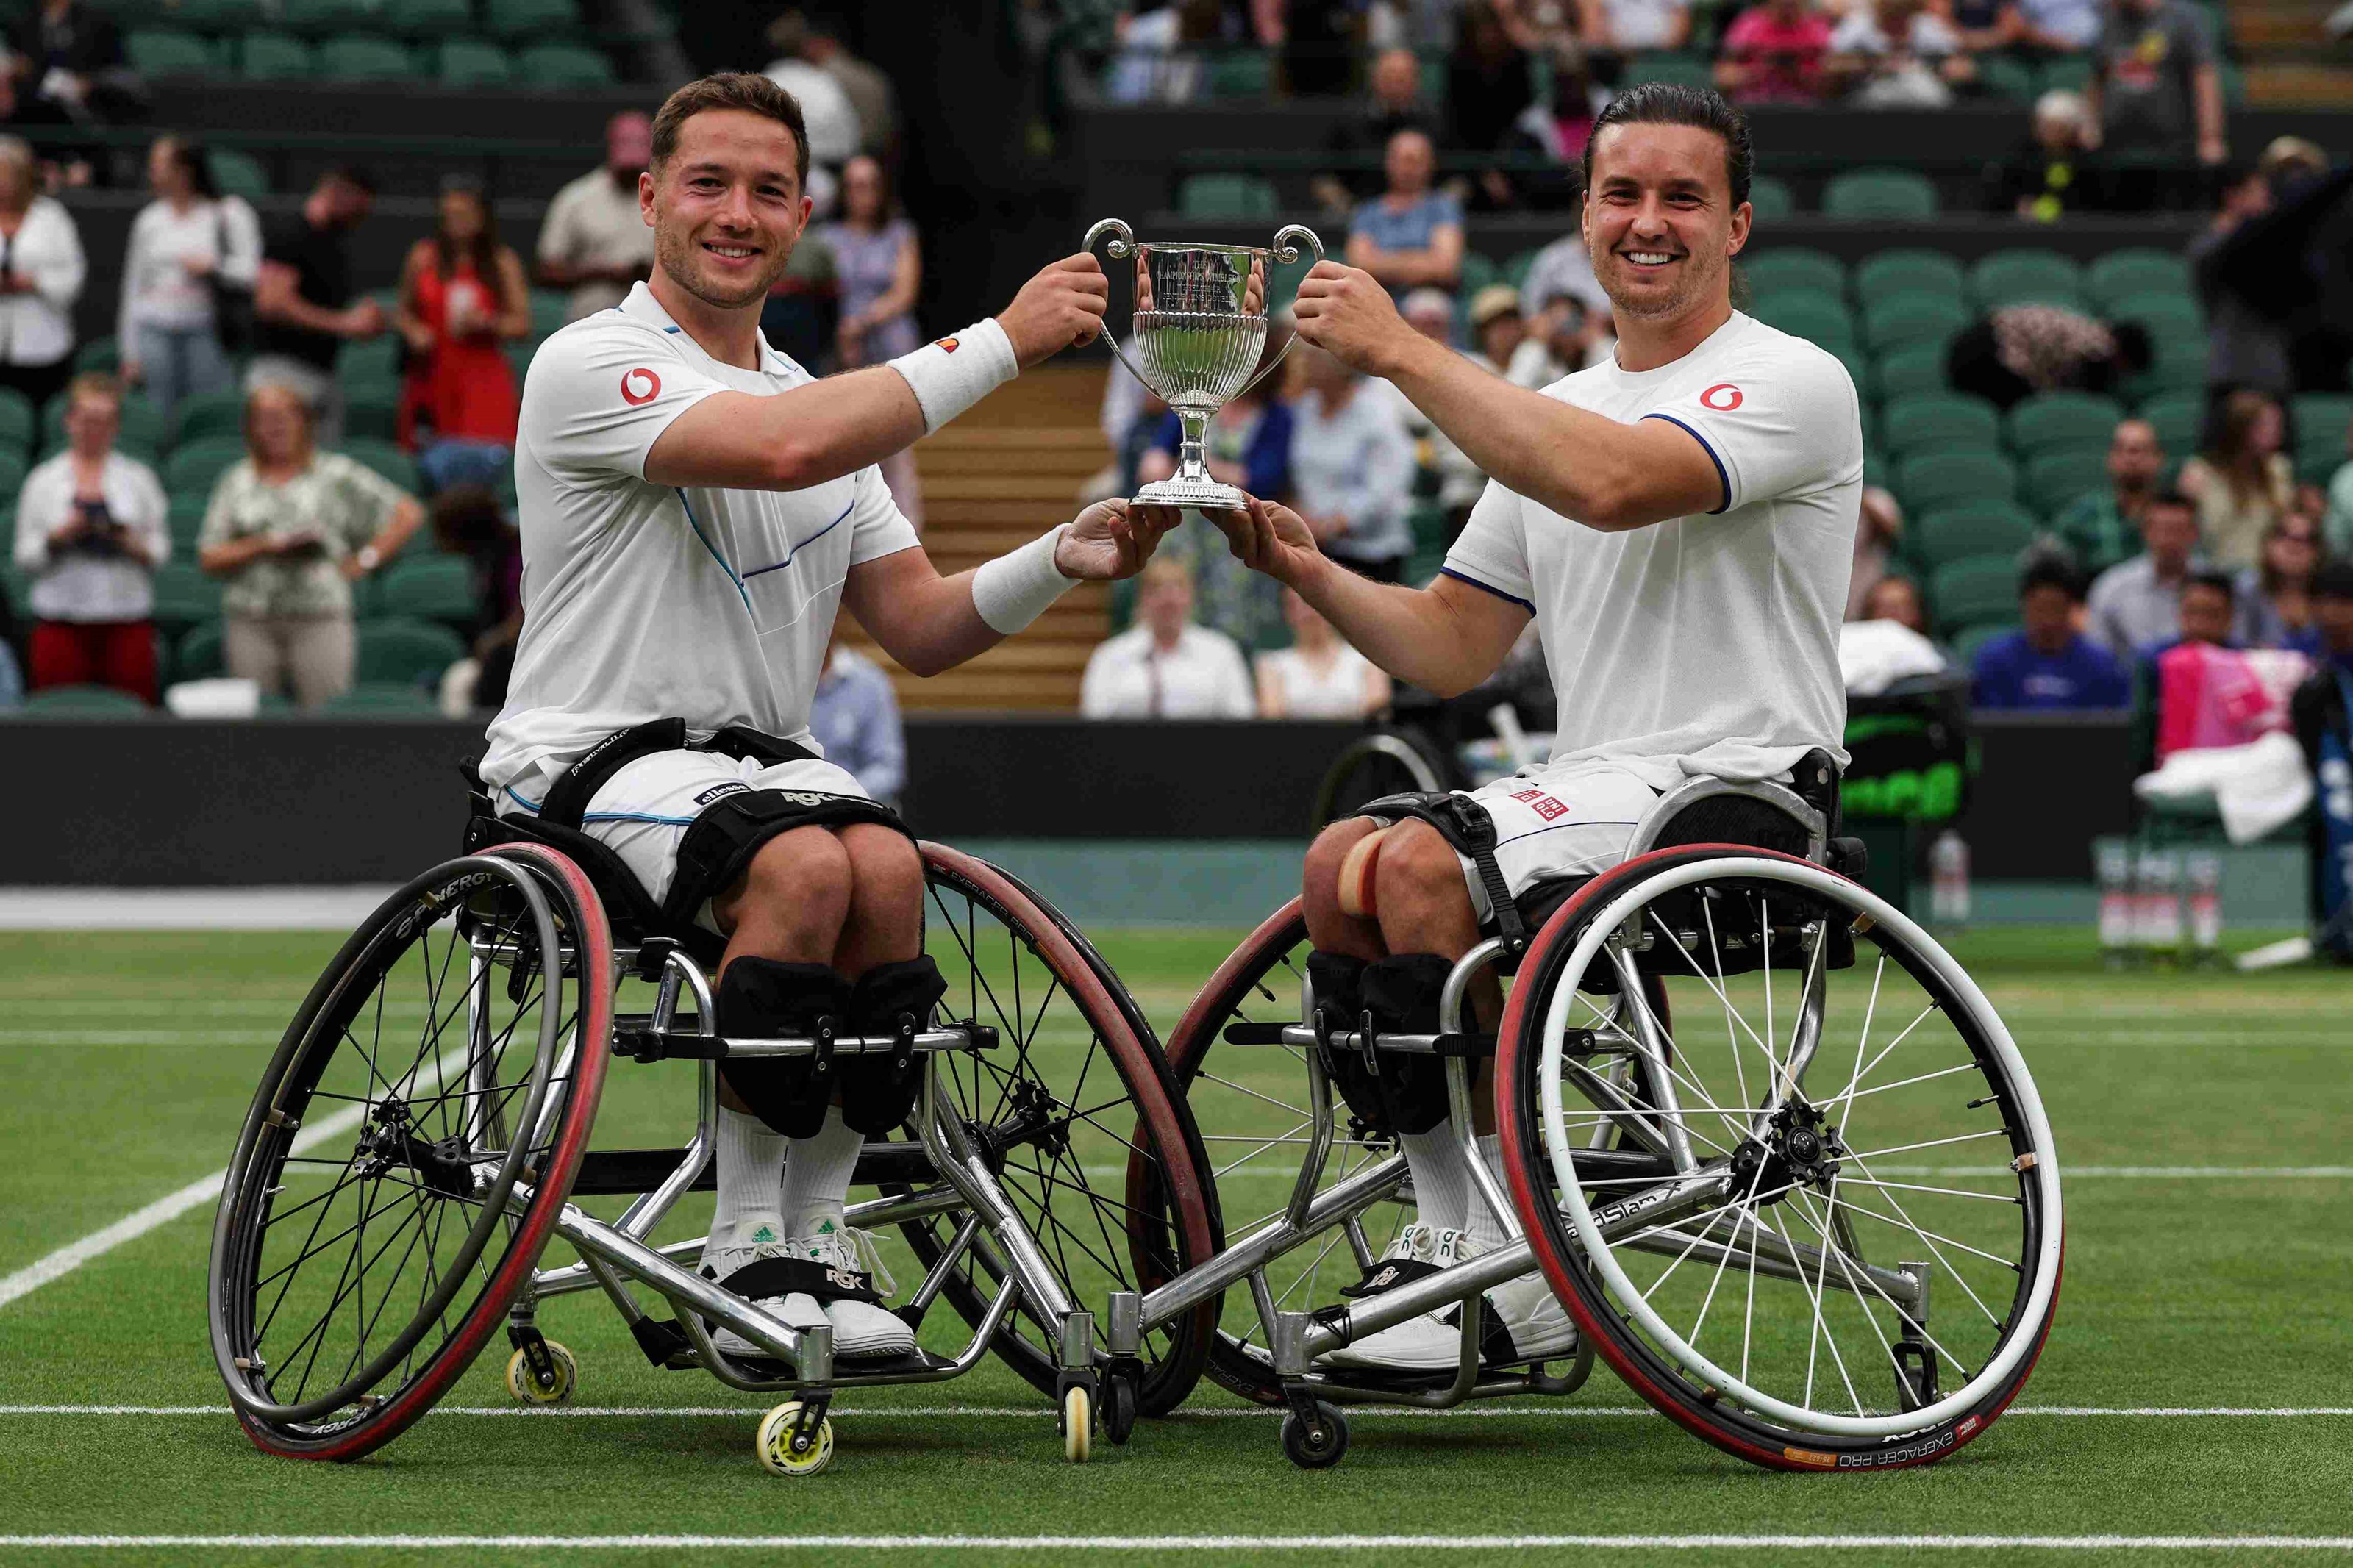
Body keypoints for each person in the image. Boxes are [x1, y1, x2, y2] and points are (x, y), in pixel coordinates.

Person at [478, 73, 1167, 1363]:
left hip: (750, 772)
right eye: (709, 184)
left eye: (769, 192)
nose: (738, 213)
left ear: (801, 218)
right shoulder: (591, 360)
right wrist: (1007, 341)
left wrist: (1056, 559)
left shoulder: (815, 397)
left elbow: (917, 624)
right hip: (581, 763)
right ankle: (747, 1244)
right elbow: (783, 448)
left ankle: (819, 1233)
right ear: (649, 201)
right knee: (805, 862)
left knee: (884, 864)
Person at [1205, 83, 1861, 1371]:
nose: (1650, 222)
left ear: (1738, 224)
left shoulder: (1795, 379)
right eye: (1623, 193)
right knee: (1340, 861)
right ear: (1584, 216)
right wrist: (1311, 572)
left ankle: (1515, 1270)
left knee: (1406, 859)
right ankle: (1464, 1239)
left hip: (1742, 794)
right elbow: (1453, 643)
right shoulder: (1552, 406)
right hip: (1605, 791)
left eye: (1683, 197)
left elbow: (1615, 483)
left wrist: (1402, 350)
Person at [196, 384, 424, 708]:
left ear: (304, 421)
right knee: (254, 723)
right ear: (250, 427)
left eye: (285, 415)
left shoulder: (335, 473)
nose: (275, 425)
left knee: (325, 720)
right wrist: (263, 545)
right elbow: (209, 556)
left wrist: (367, 559)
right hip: (251, 619)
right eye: (264, 417)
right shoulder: (236, 480)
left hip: (321, 616)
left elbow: (408, 512)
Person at [11, 373, 168, 702]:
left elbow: (162, 551)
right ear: (69, 420)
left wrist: (130, 543)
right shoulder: (43, 480)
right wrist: (59, 537)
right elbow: (23, 556)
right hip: (60, 622)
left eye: (103, 421)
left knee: (132, 719)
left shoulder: (138, 479)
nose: (93, 429)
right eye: (86, 419)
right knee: (58, 722)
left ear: (116, 426)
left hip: (127, 620)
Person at [395, 179, 530, 495]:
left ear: (482, 217)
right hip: (432, 374)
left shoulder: (502, 262)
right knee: (428, 466)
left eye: (465, 214)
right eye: (451, 215)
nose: (458, 222)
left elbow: (521, 324)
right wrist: (414, 330)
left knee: (482, 473)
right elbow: (402, 310)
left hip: (482, 379)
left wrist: (489, 324)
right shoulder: (423, 257)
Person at [117, 136, 261, 418]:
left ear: (184, 170)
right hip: (154, 331)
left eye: (158, 165)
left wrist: (214, 268)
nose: (152, 173)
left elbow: (252, 273)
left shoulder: (230, 213)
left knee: (211, 411)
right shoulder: (149, 220)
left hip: (209, 331)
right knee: (160, 413)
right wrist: (130, 351)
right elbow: (133, 286)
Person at [816, 154, 923, 526]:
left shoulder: (899, 233)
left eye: (869, 185)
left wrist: (862, 322)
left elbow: (904, 291)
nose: (861, 194)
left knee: (896, 445)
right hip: (841, 344)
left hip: (888, 342)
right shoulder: (827, 239)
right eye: (854, 185)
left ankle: (907, 533)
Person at [249, 167, 386, 448]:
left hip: (322, 375)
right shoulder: (289, 232)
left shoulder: (333, 243)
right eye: (359, 210)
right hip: (283, 375)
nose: (360, 219)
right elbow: (271, 303)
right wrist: (345, 323)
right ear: (339, 193)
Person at [1288, 343, 1415, 582]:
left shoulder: (1378, 412)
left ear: (1340, 360)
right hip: (1313, 550)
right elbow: (1295, 475)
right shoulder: (1303, 409)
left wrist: (1330, 526)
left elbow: (1384, 489)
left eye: (1314, 355)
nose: (1305, 361)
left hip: (1371, 557)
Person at [1079, 558, 1254, 719]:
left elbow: (1242, 717)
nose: (1168, 599)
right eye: (1157, 590)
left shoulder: (1221, 652)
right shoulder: (1110, 656)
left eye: (1178, 589)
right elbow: (1094, 718)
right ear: (1143, 598)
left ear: (1190, 597)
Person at [2085, 0, 2226, 184]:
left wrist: (2210, 137)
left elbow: (2204, 78)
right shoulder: (2109, 18)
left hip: (2171, 147)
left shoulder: (2182, 17)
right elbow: (2097, 79)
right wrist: (2090, 123)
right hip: (2114, 145)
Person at [537, 111, 657, 323]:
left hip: (655, 323)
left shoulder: (664, 197)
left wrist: (648, 271)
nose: (630, 171)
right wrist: (604, 272)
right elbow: (547, 270)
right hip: (589, 320)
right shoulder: (577, 198)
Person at [1971, 557, 2129, 709]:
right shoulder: (1995, 661)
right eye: (2039, 609)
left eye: (2055, 609)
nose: (2047, 621)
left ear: (2070, 609)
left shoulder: (2101, 665)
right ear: (2024, 606)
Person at [0, 135, 82, 415]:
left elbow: (73, 275)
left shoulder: (52, 218)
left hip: (43, 344)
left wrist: (35, 283)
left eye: (5, 173)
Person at [1945, 301, 2149, 412]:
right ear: (2124, 355)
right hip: (1987, 350)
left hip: (1982, 338)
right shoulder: (2100, 345)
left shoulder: (2091, 328)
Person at [1313, 47, 1440, 214]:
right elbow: (1322, 177)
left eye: (1402, 79)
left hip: (1425, 220)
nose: (1396, 85)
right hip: (1361, 218)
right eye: (1389, 77)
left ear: (1416, 81)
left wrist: (1437, 209)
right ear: (1375, 78)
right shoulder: (1348, 120)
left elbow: (1459, 179)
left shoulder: (1435, 121)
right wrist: (1348, 209)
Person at [2179, 387, 2293, 570]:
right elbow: (2187, 536)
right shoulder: (2199, 472)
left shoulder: (2279, 469)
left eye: (2278, 424)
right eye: (2267, 425)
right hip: (2216, 574)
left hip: (2268, 578)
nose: (2278, 432)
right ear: (2241, 428)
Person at [2087, 487, 2204, 658]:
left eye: (2178, 530)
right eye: (2163, 530)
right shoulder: (2112, 587)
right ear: (2145, 532)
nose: (2170, 540)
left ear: (2194, 533)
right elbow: (2099, 655)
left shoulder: (2215, 588)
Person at [1346, 129, 1465, 292]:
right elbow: (1358, 265)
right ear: (1388, 163)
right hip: (1374, 295)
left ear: (1430, 164)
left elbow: (1445, 267)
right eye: (1401, 160)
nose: (1407, 168)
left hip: (1427, 295)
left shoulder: (1443, 208)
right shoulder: (1367, 212)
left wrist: (1380, 262)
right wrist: (1421, 262)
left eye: (1415, 161)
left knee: (1425, 310)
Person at [2051, 417, 2165, 575]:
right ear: (2110, 459)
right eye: (2122, 449)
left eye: (2141, 449)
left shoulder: (2176, 515)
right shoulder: (2082, 514)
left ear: (2159, 459)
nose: (2132, 458)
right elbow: (2048, 569)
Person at [1256, 587, 1390, 718]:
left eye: (1314, 603)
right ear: (1287, 613)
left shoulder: (1369, 661)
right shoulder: (1271, 664)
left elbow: (1378, 717)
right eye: (1296, 605)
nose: (1307, 612)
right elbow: (1272, 721)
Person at [809, 630, 905, 806]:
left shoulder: (870, 682)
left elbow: (887, 769)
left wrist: (839, 797)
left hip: (854, 808)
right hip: (786, 811)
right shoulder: (772, 680)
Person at [1826, 0, 1974, 108]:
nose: (1897, 19)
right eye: (1891, 13)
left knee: (1934, 97)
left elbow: (1961, 61)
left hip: (1918, 86)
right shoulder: (1858, 24)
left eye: (1902, 14)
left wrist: (1951, 67)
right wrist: (1871, 64)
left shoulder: (1924, 25)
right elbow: (1830, 64)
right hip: (1869, 87)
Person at [1986, 90, 2107, 221]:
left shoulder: (2087, 161)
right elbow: (1998, 199)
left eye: (2058, 127)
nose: (2050, 133)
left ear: (2072, 129)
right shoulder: (2020, 158)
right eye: (2045, 125)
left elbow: (2095, 205)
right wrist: (2017, 206)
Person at [1446, 0, 1536, 157]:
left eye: (1491, 30)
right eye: (1480, 31)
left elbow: (1524, 115)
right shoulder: (1458, 66)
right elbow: (1457, 121)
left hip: (1514, 150)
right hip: (1469, 152)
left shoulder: (1516, 62)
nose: (1487, 37)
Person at [1715, 0, 1835, 107]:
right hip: (1753, 108)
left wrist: (1799, 72)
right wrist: (1758, 71)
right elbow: (1722, 77)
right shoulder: (1748, 26)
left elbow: (1833, 84)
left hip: (1804, 108)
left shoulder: (1818, 30)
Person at [2233, 514, 2324, 654]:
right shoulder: (2246, 591)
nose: (2294, 546)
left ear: (2318, 552)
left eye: (2305, 540)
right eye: (2283, 535)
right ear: (2267, 544)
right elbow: (2236, 647)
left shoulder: (2330, 596)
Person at [1516, 228, 1613, 324]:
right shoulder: (1554, 257)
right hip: (1553, 330)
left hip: (1603, 332)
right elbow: (1529, 308)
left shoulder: (1619, 256)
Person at [1860, 570, 1929, 634]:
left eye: (1901, 607)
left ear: (1915, 614)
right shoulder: (1852, 644)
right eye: (1885, 607)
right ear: (1870, 614)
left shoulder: (1928, 646)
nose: (1893, 614)